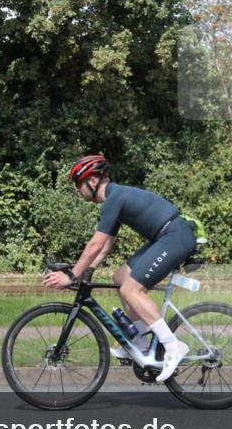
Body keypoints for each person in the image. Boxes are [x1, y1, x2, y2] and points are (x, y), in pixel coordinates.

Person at [42, 154, 195, 382]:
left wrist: (71, 275)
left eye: (78, 184)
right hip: (165, 237)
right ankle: (141, 341)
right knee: (121, 277)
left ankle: (173, 346)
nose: (77, 190)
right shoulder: (114, 200)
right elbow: (103, 248)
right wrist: (84, 274)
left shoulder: (115, 198)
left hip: (175, 236)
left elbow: (95, 243)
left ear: (93, 181)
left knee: (131, 290)